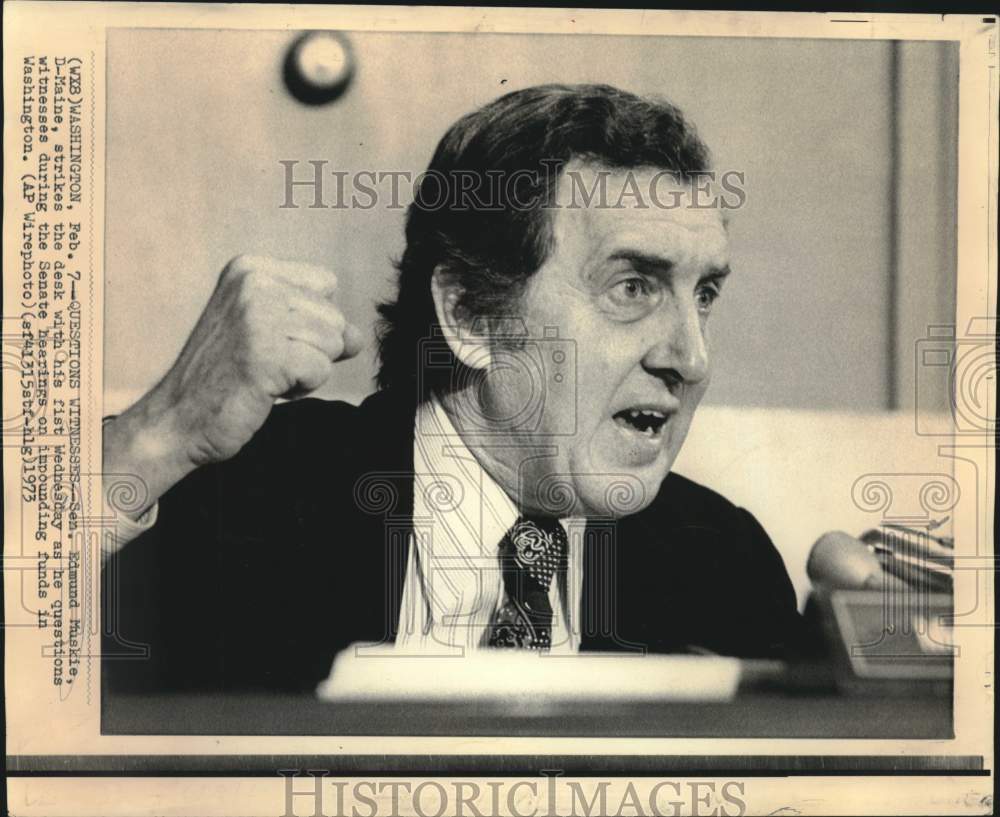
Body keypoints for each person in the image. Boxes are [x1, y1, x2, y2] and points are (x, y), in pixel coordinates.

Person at [101, 84, 803, 693]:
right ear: (470, 315)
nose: (692, 355)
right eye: (632, 286)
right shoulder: (244, 495)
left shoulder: (723, 563)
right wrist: (158, 430)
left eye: (704, 293)